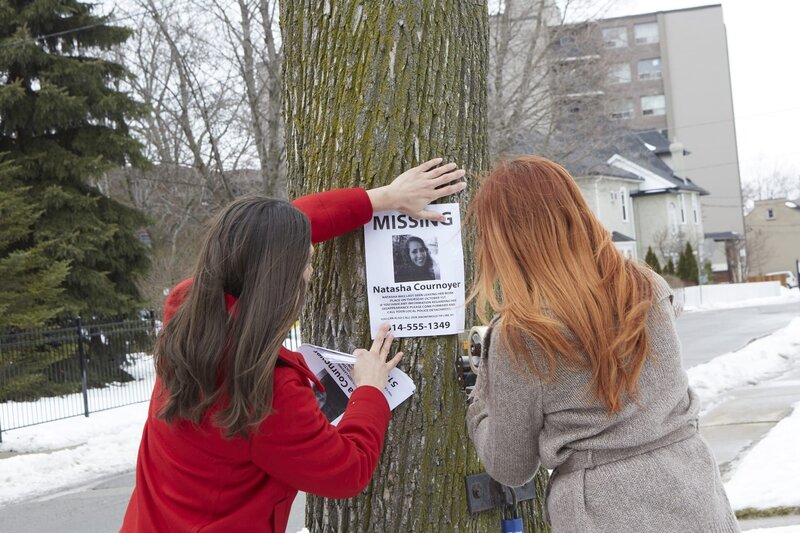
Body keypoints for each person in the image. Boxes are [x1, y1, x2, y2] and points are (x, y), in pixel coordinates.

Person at [121, 158, 466, 533]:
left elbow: (265, 235)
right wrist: (369, 390)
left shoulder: (185, 313)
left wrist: (383, 198)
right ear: (281, 279)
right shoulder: (266, 390)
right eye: (306, 264)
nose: (311, 272)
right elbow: (346, 470)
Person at [466, 156, 739, 533]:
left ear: (505, 238)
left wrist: (481, 400)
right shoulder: (645, 288)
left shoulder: (523, 333)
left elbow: (511, 466)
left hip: (599, 508)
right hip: (691, 487)